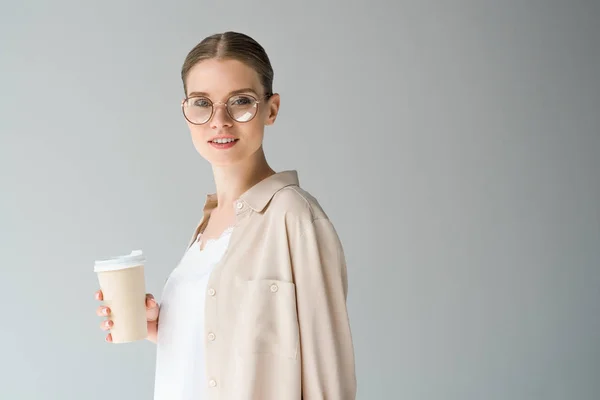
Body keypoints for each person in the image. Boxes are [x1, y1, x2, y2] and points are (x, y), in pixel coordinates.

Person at [95, 31, 356, 399]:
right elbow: (229, 350)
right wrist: (164, 326)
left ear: (271, 109)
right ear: (186, 112)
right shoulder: (208, 224)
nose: (220, 121)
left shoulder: (294, 216)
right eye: (203, 103)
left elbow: (328, 378)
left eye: (241, 102)